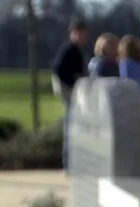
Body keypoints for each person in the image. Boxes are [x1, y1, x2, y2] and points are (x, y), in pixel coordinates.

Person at [52, 18, 88, 171]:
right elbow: (58, 69)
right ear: (72, 34)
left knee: (74, 126)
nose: (81, 37)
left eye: (83, 34)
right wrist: (73, 82)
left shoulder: (77, 50)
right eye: (78, 33)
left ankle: (73, 162)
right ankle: (69, 164)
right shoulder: (69, 49)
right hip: (69, 90)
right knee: (71, 126)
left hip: (73, 90)